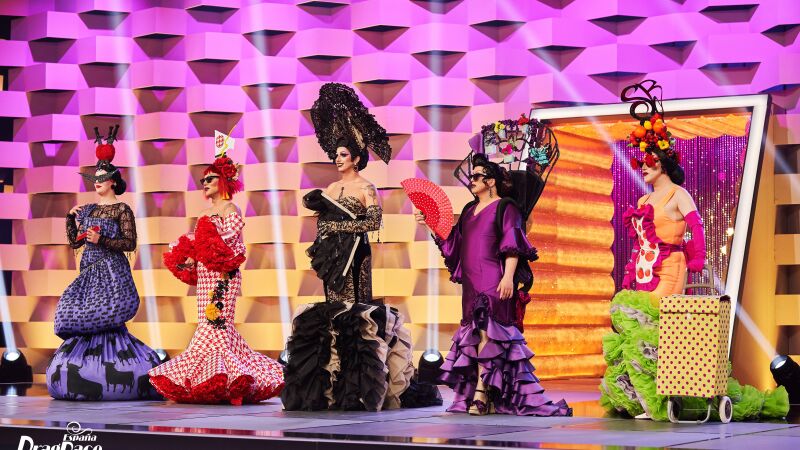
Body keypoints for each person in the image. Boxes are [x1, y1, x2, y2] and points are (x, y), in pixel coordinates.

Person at [601, 81, 788, 421]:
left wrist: (697, 258)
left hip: (670, 269)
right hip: (644, 270)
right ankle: (650, 394)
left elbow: (697, 226)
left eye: (649, 161)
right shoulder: (644, 199)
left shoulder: (678, 194)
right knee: (637, 328)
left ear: (664, 164)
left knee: (649, 325)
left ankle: (659, 400)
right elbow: (642, 242)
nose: (643, 166)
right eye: (640, 161)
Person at [281, 83, 441, 411]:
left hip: (356, 254)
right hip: (333, 256)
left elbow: (373, 223)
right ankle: (331, 385)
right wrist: (328, 227)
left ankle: (358, 385)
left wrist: (340, 225)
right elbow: (323, 223)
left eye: (342, 155)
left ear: (355, 157)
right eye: (335, 154)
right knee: (332, 310)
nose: (337, 159)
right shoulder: (332, 187)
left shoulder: (366, 187)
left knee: (355, 311)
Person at [417, 153, 571, 416]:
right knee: (474, 335)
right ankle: (484, 393)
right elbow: (455, 244)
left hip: (493, 277)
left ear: (490, 181)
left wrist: (508, 276)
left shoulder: (505, 207)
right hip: (471, 282)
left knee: (489, 333)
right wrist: (431, 225)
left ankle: (481, 391)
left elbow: (512, 244)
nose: (472, 181)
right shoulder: (467, 210)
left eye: (477, 176)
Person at [148, 147, 284, 405]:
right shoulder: (202, 214)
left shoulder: (231, 209)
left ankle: (229, 379)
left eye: (209, 178)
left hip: (224, 275)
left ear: (223, 180)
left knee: (219, 324)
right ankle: (211, 378)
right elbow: (197, 243)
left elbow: (231, 242)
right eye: (202, 180)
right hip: (205, 275)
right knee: (207, 324)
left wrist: (205, 249)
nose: (204, 184)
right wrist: (188, 256)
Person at [46, 126, 161, 401]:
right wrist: (71, 221)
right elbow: (76, 243)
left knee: (108, 313)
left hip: (111, 268)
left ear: (112, 181)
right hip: (89, 268)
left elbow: (130, 243)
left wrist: (102, 239)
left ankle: (112, 367)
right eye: (94, 178)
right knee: (77, 310)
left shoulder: (122, 209)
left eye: (101, 178)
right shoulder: (89, 209)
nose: (96, 182)